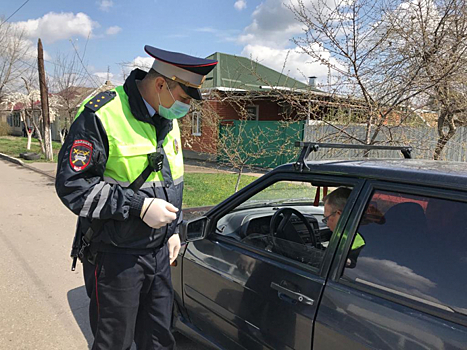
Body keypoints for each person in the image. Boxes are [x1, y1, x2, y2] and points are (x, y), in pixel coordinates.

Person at [55, 45, 217, 350]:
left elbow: (168, 181)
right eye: (184, 99)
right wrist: (138, 206)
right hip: (116, 256)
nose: (186, 108)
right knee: (114, 342)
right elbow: (73, 185)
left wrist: (173, 230)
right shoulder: (102, 113)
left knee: (158, 338)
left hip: (158, 253)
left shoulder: (167, 118)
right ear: (160, 84)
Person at [323, 187, 365, 267]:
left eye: (327, 218)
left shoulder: (354, 240)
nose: (327, 224)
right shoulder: (350, 230)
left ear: (339, 214)